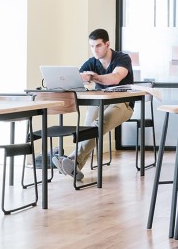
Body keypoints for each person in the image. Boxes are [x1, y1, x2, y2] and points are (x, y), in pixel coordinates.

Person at [54, 29, 135, 181]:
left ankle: (72, 159)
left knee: (98, 124)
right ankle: (75, 166)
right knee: (87, 129)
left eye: (98, 46)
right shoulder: (92, 62)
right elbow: (75, 78)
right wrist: (79, 78)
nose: (95, 50)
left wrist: (93, 77)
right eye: (92, 46)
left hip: (123, 104)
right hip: (100, 102)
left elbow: (115, 78)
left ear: (107, 44)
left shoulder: (122, 58)